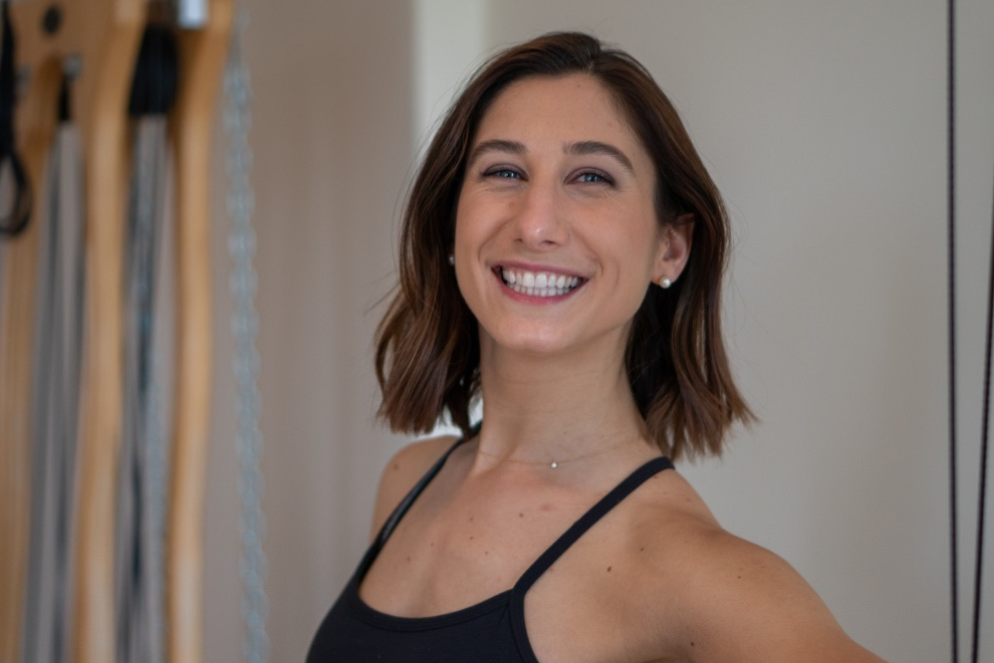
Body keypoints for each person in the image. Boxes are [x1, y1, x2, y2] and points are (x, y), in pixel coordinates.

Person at [307, 31, 887, 662]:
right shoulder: (408, 481)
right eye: (504, 171)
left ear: (670, 248)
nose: (535, 223)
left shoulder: (682, 568)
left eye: (591, 177)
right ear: (452, 221)